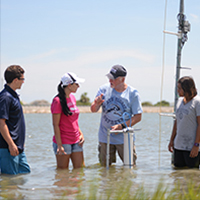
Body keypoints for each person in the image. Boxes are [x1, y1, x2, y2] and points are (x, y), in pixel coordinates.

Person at [91, 64, 142, 166]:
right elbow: (93, 109)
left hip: (124, 138)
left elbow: (138, 117)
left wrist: (121, 126)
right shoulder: (103, 89)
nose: (110, 81)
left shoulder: (133, 93)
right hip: (105, 137)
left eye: (113, 79)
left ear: (122, 79)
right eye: (109, 78)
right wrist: (96, 103)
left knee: (130, 167)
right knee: (104, 169)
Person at [0, 65, 31, 175]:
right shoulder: (5, 97)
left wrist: (19, 142)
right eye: (23, 79)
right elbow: (1, 122)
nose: (23, 82)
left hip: (18, 147)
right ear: (15, 80)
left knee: (25, 173)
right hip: (8, 148)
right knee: (10, 179)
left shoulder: (13, 95)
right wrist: (11, 144)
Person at [51, 72, 85, 169]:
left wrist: (81, 133)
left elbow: (74, 120)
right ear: (69, 85)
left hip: (76, 140)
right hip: (64, 141)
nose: (78, 86)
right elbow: (55, 125)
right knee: (63, 173)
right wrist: (59, 145)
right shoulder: (57, 101)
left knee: (80, 171)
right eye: (76, 84)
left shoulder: (73, 98)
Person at [168, 76, 200, 168]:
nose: (178, 91)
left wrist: (196, 145)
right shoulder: (179, 101)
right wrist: (171, 140)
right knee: (178, 173)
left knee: (192, 174)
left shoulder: (197, 102)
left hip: (192, 147)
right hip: (178, 145)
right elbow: (177, 122)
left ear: (187, 89)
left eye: (180, 88)